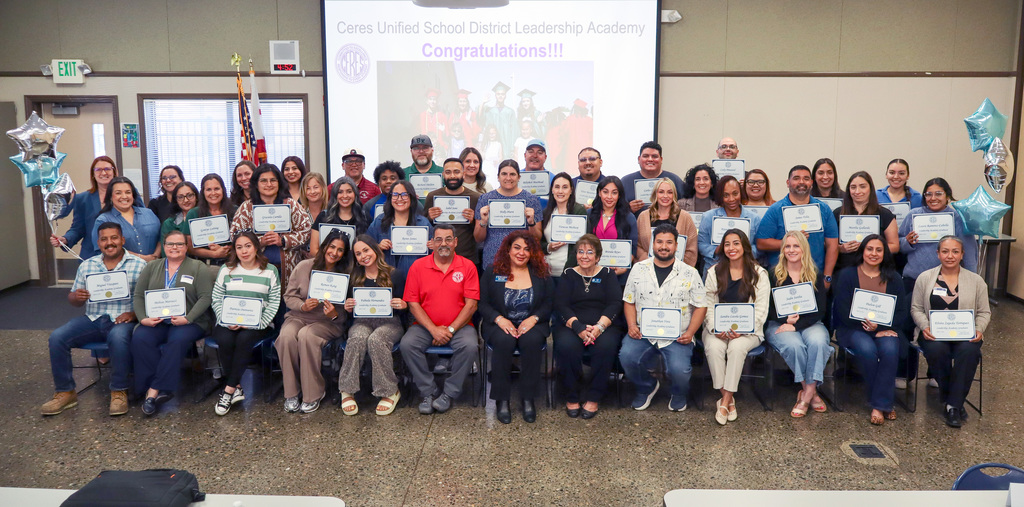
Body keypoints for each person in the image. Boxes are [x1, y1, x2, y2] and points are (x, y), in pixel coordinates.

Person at [41, 222, 146, 417]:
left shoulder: (139, 265)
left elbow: (147, 298)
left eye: (114, 238)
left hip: (123, 318)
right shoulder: (87, 265)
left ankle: (119, 391)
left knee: (118, 338)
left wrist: (134, 314)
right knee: (57, 337)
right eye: (104, 239)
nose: (110, 242)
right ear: (98, 243)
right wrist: (77, 297)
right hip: (93, 318)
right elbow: (73, 299)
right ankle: (65, 392)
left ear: (122, 240)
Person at [620, 224, 708, 412]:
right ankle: (647, 387)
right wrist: (631, 325)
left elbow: (701, 306)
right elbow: (629, 300)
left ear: (676, 246)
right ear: (653, 244)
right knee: (626, 357)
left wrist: (691, 333)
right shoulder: (638, 269)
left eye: (669, 242)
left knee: (679, 370)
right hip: (643, 332)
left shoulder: (690, 273)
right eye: (659, 241)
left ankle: (678, 393)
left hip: (678, 335)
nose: (664, 246)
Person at [131, 231, 214, 416]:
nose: (174, 247)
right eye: (170, 244)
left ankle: (154, 391)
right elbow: (138, 295)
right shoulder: (152, 266)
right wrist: (143, 318)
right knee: (140, 337)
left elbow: (205, 297)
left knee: (177, 340)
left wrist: (188, 318)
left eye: (179, 244)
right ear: (164, 245)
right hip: (157, 321)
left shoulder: (198, 267)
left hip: (189, 322)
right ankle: (154, 386)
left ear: (186, 247)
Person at [401, 225, 480, 414]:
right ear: (432, 243)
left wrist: (450, 330)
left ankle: (449, 393)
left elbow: (471, 305)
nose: (443, 243)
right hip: (424, 326)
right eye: (438, 239)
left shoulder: (467, 266)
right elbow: (413, 304)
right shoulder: (418, 266)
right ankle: (429, 391)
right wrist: (433, 330)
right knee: (407, 344)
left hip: (460, 327)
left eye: (448, 239)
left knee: (470, 346)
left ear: (455, 242)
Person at [911, 236, 989, 428]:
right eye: (945, 251)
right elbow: (916, 308)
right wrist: (924, 327)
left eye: (955, 251)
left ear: (962, 254)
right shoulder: (925, 278)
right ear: (938, 254)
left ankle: (952, 404)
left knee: (969, 352)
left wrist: (978, 329)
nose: (950, 256)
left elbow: (984, 312)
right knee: (938, 351)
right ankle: (955, 402)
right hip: (933, 334)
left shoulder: (977, 281)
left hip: (966, 334)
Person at [479, 231, 554, 424]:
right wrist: (499, 319)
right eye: (517, 247)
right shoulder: (493, 271)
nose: (521, 253)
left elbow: (549, 303)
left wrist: (535, 318)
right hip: (499, 323)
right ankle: (501, 400)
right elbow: (483, 304)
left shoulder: (541, 273)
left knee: (531, 341)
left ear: (533, 253)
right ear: (508, 249)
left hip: (532, 323)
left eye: (527, 249)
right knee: (504, 341)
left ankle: (528, 398)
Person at [832, 234, 908, 425]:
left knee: (891, 349)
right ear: (862, 251)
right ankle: (884, 402)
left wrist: (880, 327)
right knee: (867, 350)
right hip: (852, 328)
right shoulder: (847, 275)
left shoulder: (895, 278)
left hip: (885, 329)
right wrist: (867, 327)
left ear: (884, 253)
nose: (874, 254)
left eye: (879, 250)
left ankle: (878, 404)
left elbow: (901, 312)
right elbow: (841, 310)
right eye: (869, 249)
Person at [277, 230, 352, 413]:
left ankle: (313, 394)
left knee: (307, 335)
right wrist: (303, 306)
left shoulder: (346, 275)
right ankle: (291, 393)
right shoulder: (304, 266)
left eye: (340, 250)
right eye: (332, 246)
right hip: (299, 316)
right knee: (286, 336)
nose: (334, 252)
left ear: (344, 254)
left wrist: (333, 313)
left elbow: (343, 317)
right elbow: (289, 297)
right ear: (324, 246)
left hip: (328, 323)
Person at [702, 229, 770, 425]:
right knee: (714, 347)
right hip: (717, 329)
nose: (731, 248)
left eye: (736, 243)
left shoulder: (759, 274)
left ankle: (724, 400)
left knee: (736, 347)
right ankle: (728, 399)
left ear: (745, 246)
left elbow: (761, 310)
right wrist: (716, 328)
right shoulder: (714, 272)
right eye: (727, 244)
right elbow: (708, 305)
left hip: (749, 331)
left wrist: (744, 330)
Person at [209, 231, 281, 416]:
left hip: (257, 325)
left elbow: (274, 301)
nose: (244, 251)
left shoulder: (270, 270)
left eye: (248, 246)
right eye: (239, 247)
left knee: (243, 339)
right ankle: (237, 387)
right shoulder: (226, 269)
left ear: (256, 247)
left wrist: (257, 323)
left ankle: (228, 390)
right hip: (228, 322)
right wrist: (225, 319)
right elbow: (216, 298)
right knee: (224, 339)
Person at [553, 234, 623, 419]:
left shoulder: (608, 274)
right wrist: (579, 328)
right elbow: (561, 305)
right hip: (571, 325)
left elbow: (615, 303)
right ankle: (572, 395)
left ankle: (594, 396)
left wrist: (599, 327)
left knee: (606, 347)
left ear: (598, 256)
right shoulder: (568, 274)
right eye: (581, 252)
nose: (584, 256)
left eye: (589, 252)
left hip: (604, 325)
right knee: (566, 346)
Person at [339, 235, 408, 416]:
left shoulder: (395, 274)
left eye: (366, 250)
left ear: (375, 250)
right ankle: (347, 390)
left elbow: (405, 307)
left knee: (377, 339)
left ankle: (390, 391)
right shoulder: (354, 277)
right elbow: (350, 312)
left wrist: (402, 304)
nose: (363, 256)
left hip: (390, 322)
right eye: (358, 254)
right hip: (363, 321)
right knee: (358, 337)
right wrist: (347, 307)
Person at [765, 231, 831, 418]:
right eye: (787, 246)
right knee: (794, 345)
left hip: (811, 323)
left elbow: (820, 309)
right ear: (782, 249)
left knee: (818, 342)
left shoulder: (815, 274)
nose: (791, 250)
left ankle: (806, 395)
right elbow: (766, 307)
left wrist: (796, 325)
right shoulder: (772, 274)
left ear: (804, 249)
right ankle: (811, 392)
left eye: (796, 246)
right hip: (779, 323)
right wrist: (785, 320)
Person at [230, 163, 312, 289]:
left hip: (289, 271)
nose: (269, 184)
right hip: (255, 271)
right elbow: (235, 235)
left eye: (273, 180)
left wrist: (284, 240)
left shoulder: (291, 205)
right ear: (256, 184)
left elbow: (306, 230)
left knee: (286, 305)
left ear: (279, 183)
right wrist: (259, 242)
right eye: (263, 181)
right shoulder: (246, 208)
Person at [754, 165, 839, 284]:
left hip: (815, 277)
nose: (801, 182)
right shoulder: (775, 210)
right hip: (781, 278)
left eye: (806, 178)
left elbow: (833, 246)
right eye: (796, 178)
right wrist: (791, 243)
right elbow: (761, 243)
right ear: (788, 182)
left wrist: (827, 277)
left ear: (811, 182)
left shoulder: (823, 209)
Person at [900, 178, 979, 286]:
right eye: (928, 194)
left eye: (938, 194)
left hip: (947, 280)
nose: (933, 198)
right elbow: (899, 244)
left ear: (947, 196)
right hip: (914, 279)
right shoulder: (913, 215)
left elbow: (969, 253)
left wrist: (972, 282)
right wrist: (907, 242)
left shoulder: (958, 218)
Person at [474, 159, 543, 270]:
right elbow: (478, 238)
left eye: (512, 174)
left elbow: (537, 238)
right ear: (498, 177)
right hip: (493, 259)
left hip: (522, 260)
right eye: (504, 174)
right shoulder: (485, 199)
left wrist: (531, 223)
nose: (508, 178)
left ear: (519, 177)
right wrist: (483, 222)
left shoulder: (531, 200)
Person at [50, 156, 118, 259]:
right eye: (98, 169)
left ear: (114, 172)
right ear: (93, 175)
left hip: (121, 254)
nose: (103, 173)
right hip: (92, 256)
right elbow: (78, 228)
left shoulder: (127, 195)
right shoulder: (82, 199)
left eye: (107, 169)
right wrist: (65, 239)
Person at [834, 171, 899, 273]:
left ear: (870, 189)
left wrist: (870, 248)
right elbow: (827, 244)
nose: (857, 191)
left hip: (877, 272)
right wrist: (841, 248)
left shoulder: (885, 214)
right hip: (843, 271)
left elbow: (895, 246)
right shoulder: (837, 213)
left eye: (862, 186)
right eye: (853, 187)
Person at [697, 176, 762, 275]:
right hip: (714, 270)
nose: (731, 199)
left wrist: (743, 251)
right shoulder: (708, 217)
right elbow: (701, 244)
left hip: (745, 271)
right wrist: (716, 250)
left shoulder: (754, 218)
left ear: (741, 193)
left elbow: (759, 247)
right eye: (726, 195)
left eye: (735, 194)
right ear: (720, 196)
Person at [367, 179, 432, 272]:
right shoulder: (379, 221)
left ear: (411, 198)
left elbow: (434, 254)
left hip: (415, 276)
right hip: (386, 277)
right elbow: (365, 247)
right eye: (395, 195)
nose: (399, 199)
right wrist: (378, 247)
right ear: (390, 198)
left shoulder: (423, 223)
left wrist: (433, 247)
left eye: (404, 195)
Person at [424, 158, 481, 265]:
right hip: (439, 258)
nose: (452, 176)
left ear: (464, 174)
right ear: (443, 175)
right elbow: (423, 228)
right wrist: (429, 218)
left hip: (467, 258)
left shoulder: (476, 198)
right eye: (448, 172)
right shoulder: (432, 197)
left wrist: (474, 220)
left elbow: (481, 234)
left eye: (456, 172)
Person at [93, 176, 161, 262]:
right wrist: (142, 259)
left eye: (128, 192)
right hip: (123, 270)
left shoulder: (149, 213)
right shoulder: (103, 220)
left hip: (154, 266)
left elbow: (161, 238)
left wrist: (154, 257)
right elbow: (102, 249)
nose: (124, 196)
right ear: (110, 196)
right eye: (118, 193)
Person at [636, 178, 699, 266]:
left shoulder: (685, 217)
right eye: (661, 192)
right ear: (655, 194)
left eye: (669, 192)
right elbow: (638, 245)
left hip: (678, 272)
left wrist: (677, 267)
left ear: (674, 195)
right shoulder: (643, 216)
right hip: (649, 269)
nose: (665, 196)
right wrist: (646, 260)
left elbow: (692, 249)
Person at [587, 176, 639, 278]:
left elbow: (633, 246)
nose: (609, 197)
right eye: (605, 192)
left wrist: (624, 266)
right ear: (599, 193)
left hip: (618, 275)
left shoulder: (628, 217)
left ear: (619, 195)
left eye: (614, 193)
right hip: (593, 271)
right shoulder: (589, 214)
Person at [622, 141, 686, 215]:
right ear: (639, 159)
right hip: (635, 225)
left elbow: (686, 205)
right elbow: (614, 211)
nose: (650, 159)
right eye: (645, 156)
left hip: (668, 225)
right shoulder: (625, 182)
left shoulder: (674, 180)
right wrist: (628, 209)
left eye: (654, 156)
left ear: (661, 159)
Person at [541, 173, 588, 276]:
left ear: (571, 190)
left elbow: (584, 243)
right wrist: (549, 247)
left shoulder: (579, 211)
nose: (560, 191)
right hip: (548, 271)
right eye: (557, 187)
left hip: (571, 272)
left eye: (565, 187)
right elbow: (540, 242)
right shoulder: (546, 213)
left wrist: (568, 270)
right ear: (552, 190)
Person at [184, 174, 236, 265]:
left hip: (233, 263)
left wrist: (227, 249)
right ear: (203, 192)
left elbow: (245, 239)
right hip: (203, 265)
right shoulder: (193, 213)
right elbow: (189, 247)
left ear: (223, 190)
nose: (213, 193)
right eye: (208, 189)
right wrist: (214, 254)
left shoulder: (235, 211)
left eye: (217, 189)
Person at [311, 176, 369, 257]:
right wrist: (332, 259)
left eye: (349, 191)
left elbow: (369, 248)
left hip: (355, 266)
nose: (345, 196)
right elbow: (313, 250)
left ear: (355, 194)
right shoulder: (323, 216)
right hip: (328, 266)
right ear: (335, 195)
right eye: (340, 192)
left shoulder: (364, 216)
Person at [480, 81, 516, 158]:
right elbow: (480, 120)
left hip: (507, 144)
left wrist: (513, 148)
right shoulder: (490, 111)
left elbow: (514, 131)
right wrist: (483, 103)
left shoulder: (510, 112)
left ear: (505, 96)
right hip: (493, 143)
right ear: (495, 95)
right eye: (498, 94)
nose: (500, 96)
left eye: (502, 94)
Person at [159, 181, 198, 246]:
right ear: (176, 200)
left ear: (196, 197)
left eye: (190, 195)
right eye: (180, 197)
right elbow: (166, 252)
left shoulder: (205, 218)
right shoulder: (169, 224)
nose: (186, 200)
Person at [418, 89, 448, 157]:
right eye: (430, 99)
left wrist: (443, 130)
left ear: (437, 102)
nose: (432, 101)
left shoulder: (442, 115)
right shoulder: (422, 116)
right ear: (427, 101)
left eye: (434, 99)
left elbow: (447, 134)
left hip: (439, 148)